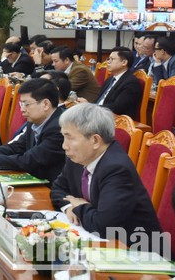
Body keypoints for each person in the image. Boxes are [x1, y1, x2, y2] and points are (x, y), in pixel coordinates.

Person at [50, 103, 161, 247]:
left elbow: (103, 226)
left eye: (70, 138)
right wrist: (69, 206)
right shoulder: (78, 157)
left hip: (137, 250)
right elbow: (57, 189)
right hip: (101, 242)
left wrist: (79, 206)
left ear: (95, 141)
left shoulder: (117, 169)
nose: (64, 146)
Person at [78, 47, 142, 120]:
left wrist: (90, 106)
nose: (108, 62)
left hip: (115, 119)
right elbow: (99, 100)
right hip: (98, 114)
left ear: (124, 62)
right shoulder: (110, 79)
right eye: (108, 59)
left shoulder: (131, 83)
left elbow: (116, 108)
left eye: (112, 59)